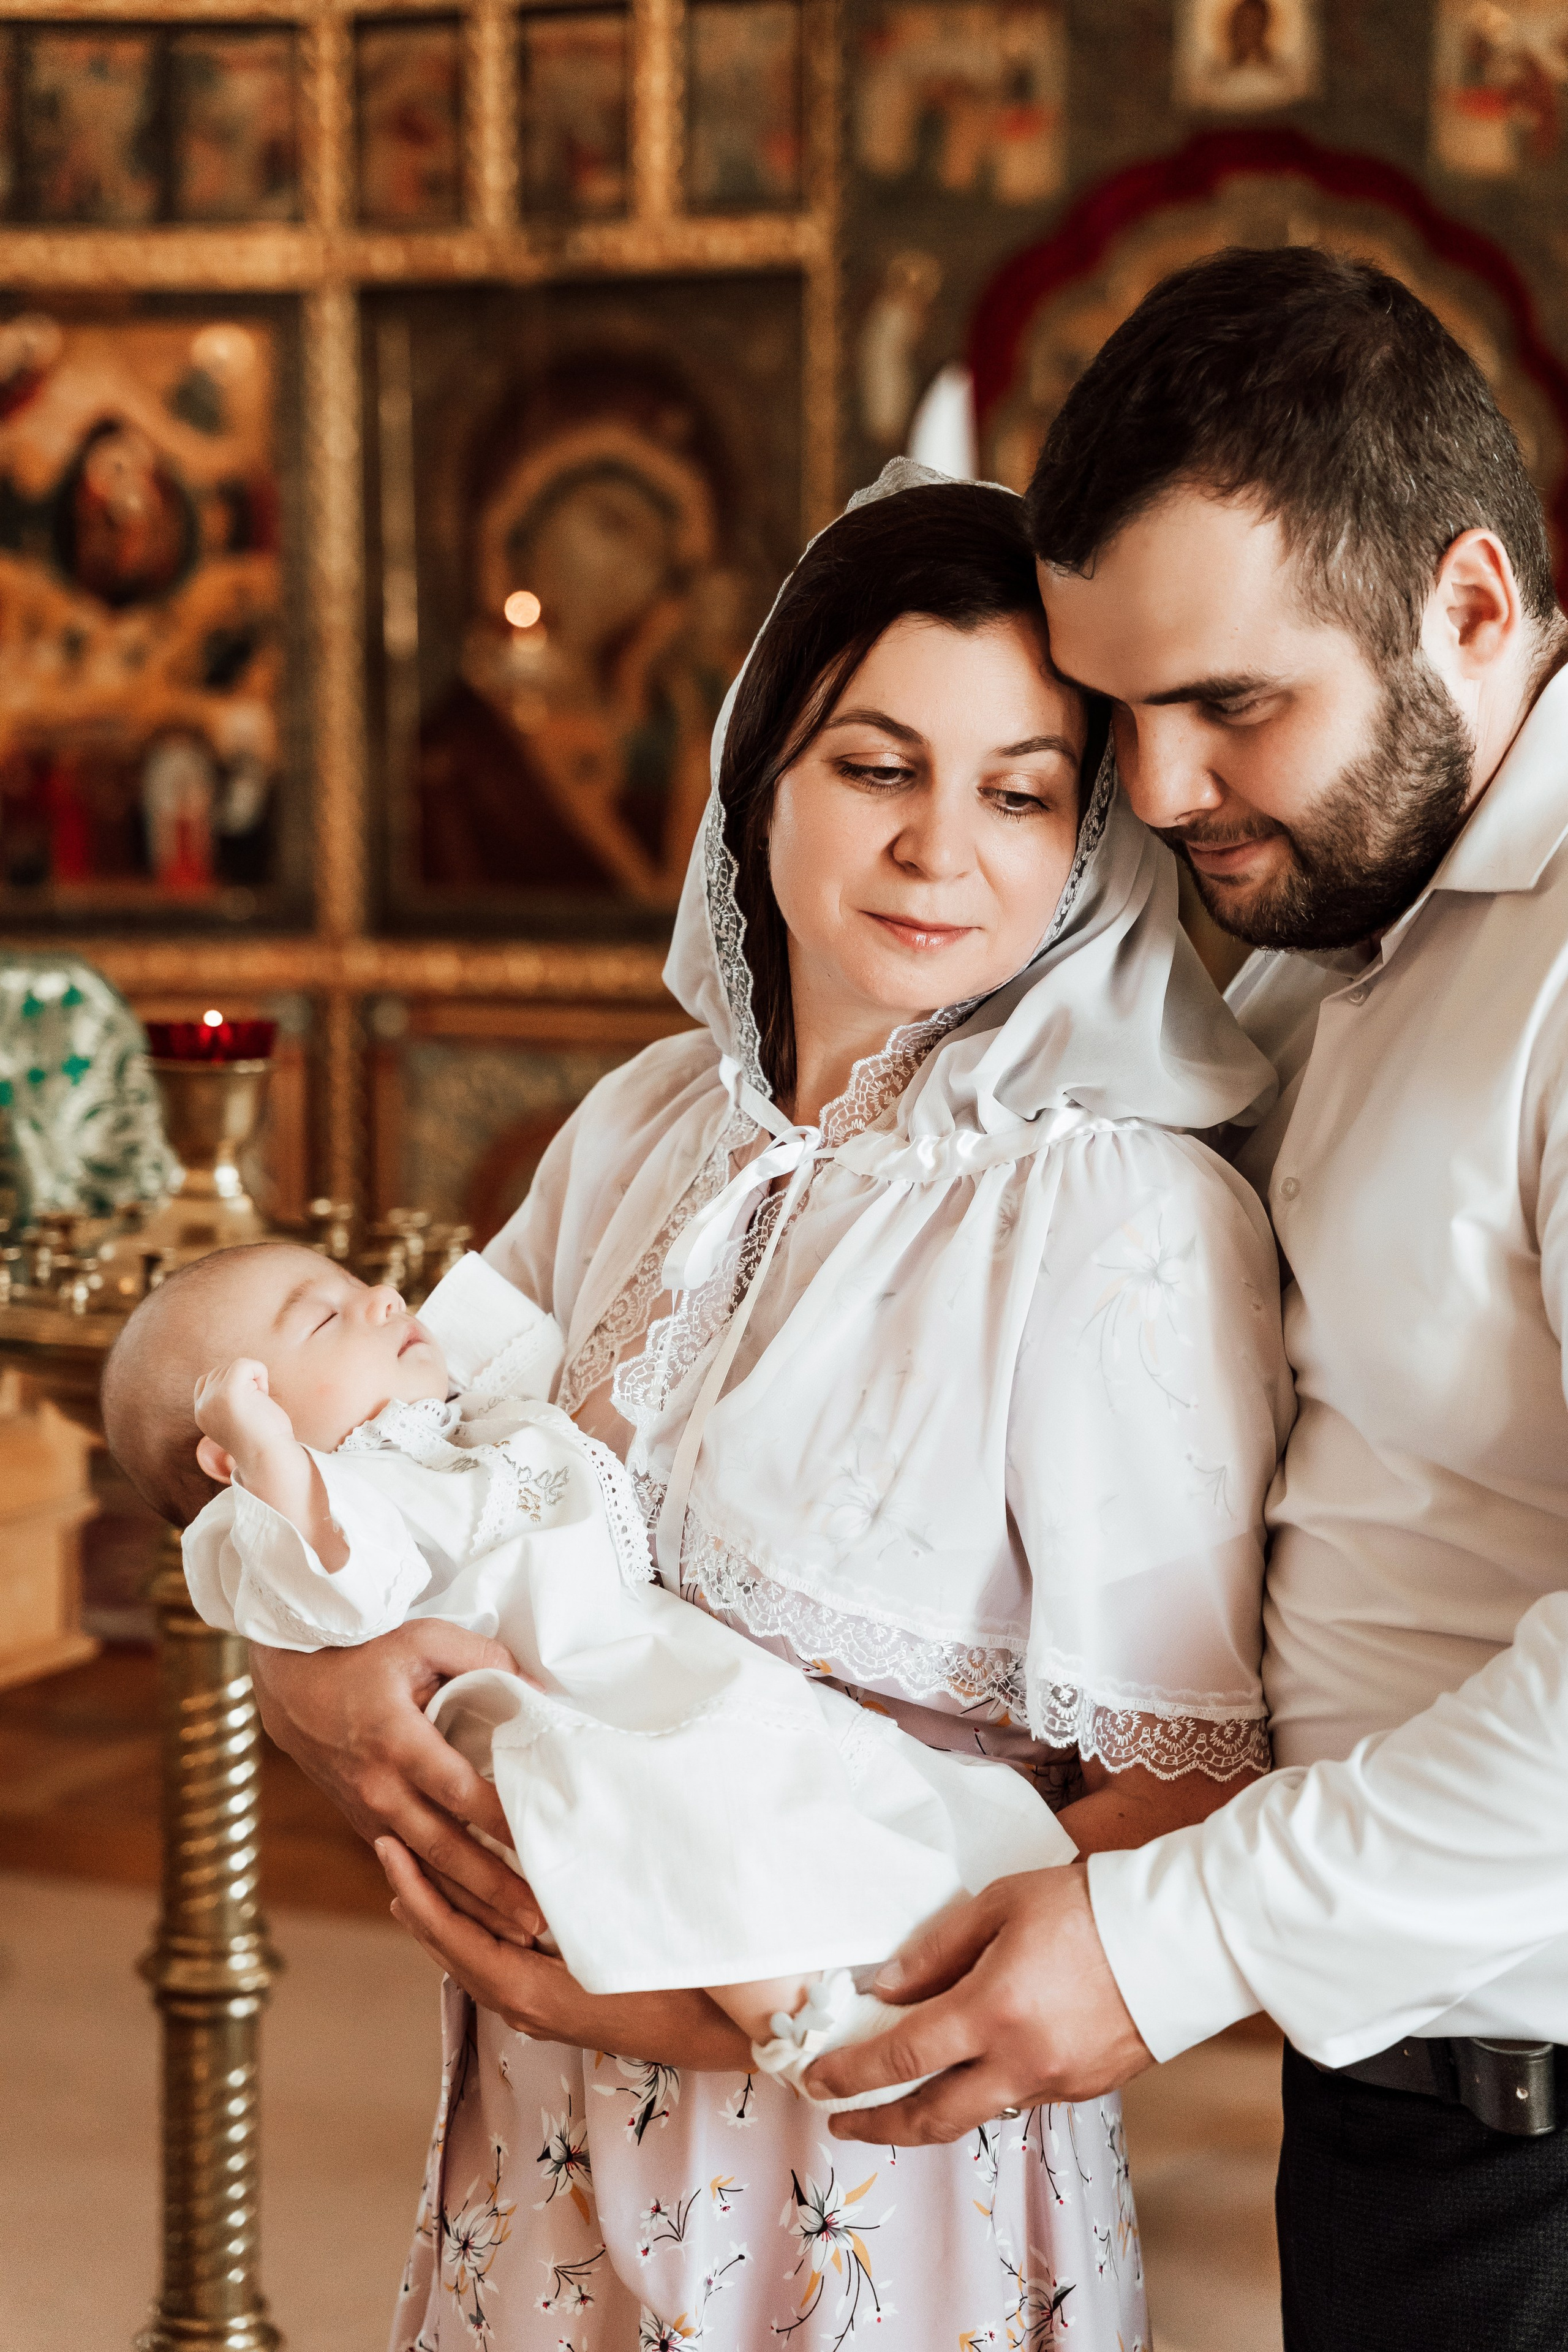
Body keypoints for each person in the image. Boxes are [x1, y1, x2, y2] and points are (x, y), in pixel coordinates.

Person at [249, 465, 1293, 2348]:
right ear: (758, 773)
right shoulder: (645, 1126)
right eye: (875, 766)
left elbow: (1177, 1810)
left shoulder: (1118, 1220)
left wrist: (686, 2001)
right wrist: (315, 1680)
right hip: (540, 2123)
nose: (938, 851)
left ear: (1092, 837)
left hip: (873, 2157)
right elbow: (405, 1477)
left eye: (1020, 792)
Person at [807, 247, 1568, 2351]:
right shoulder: (1340, 904)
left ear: (1472, 607)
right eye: (1122, 716)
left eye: (1233, 704)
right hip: (1394, 2102)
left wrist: (1164, 1939)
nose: (1155, 794)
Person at [100, 1236, 1071, 2096]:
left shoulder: (448, 1430)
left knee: (806, 1783)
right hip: (574, 1719)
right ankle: (799, 2022)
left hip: (644, 1668)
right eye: (323, 1318)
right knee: (686, 1836)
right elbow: (324, 1586)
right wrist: (274, 1463)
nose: (384, 1300)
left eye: (362, 1282)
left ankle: (937, 1911)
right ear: (233, 1455)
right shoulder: (343, 1502)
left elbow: (521, 1332)